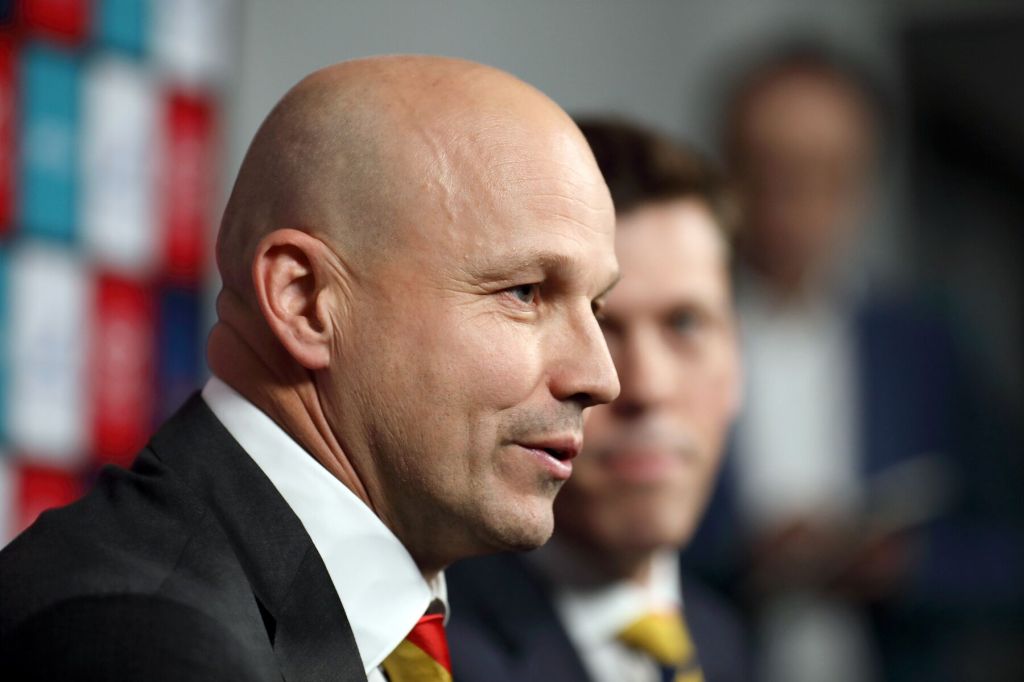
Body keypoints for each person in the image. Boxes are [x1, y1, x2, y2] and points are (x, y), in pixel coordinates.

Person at [0, 55, 621, 681]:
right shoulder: (143, 644)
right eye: (524, 292)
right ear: (303, 301)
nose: (601, 377)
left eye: (595, 307)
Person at [686, 43, 1024, 682]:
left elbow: (1006, 546)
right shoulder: (665, 335)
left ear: (865, 181)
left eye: (826, 174)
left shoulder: (926, 347)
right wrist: (744, 556)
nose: (793, 203)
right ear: (724, 172)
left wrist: (908, 565)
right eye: (769, 169)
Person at [447, 117, 750, 682]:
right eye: (600, 322)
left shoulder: (722, 638)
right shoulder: (430, 652)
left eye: (685, 323)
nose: (647, 386)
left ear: (738, 363)